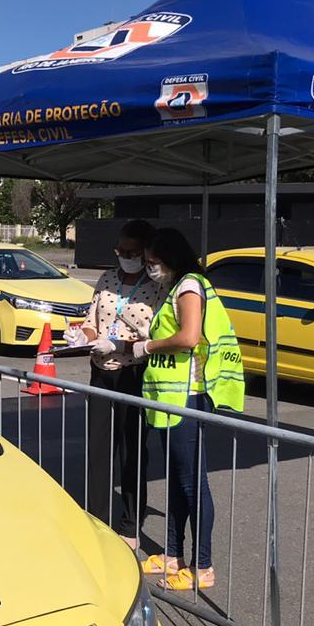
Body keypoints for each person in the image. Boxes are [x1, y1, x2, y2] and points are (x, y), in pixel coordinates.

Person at [131, 228, 244, 590]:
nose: (150, 269)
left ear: (171, 258)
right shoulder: (177, 287)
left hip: (188, 397)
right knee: (179, 482)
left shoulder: (190, 286)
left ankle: (203, 566)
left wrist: (146, 347)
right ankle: (174, 554)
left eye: (154, 262)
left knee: (192, 483)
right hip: (169, 399)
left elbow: (189, 337)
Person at [71, 219, 167, 547]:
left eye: (131, 251)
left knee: (132, 452)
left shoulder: (158, 287)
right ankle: (96, 519)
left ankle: (129, 526)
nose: (124, 256)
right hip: (101, 372)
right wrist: (81, 337)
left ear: (145, 252)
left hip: (133, 374)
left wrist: (120, 345)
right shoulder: (107, 278)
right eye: (120, 250)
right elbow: (92, 320)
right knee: (98, 451)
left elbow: (158, 335)